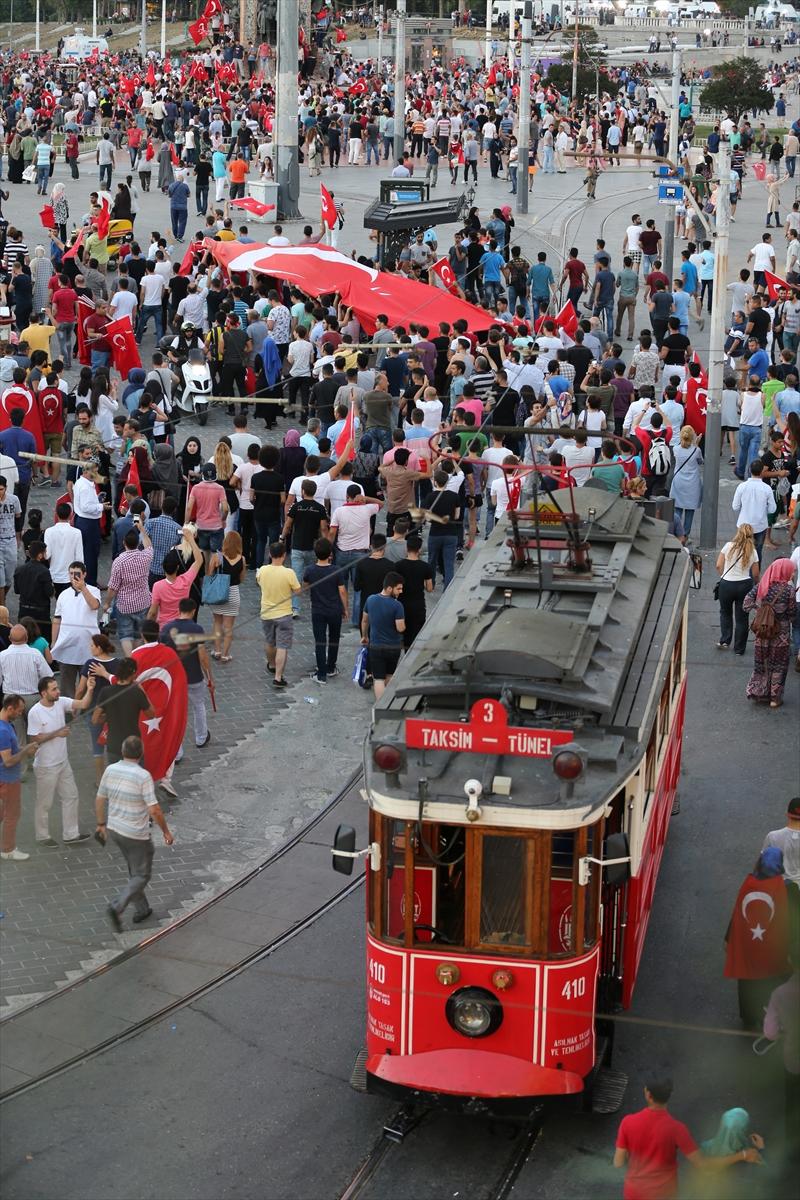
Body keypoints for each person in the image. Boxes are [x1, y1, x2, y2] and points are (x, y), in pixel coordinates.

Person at [614, 1077, 761, 1198]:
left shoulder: (627, 1122)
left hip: (634, 1193)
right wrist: (742, 1155)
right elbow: (703, 1164)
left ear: (647, 1094)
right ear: (669, 1096)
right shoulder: (677, 1129)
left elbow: (618, 1162)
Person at [97, 734, 173, 931]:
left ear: (122, 752)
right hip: (136, 834)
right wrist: (165, 831)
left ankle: (142, 909)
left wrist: (100, 824)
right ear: (141, 754)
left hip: (115, 829)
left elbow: (100, 798)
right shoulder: (142, 776)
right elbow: (154, 809)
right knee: (141, 875)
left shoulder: (110, 769)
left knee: (134, 869)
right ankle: (118, 906)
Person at [28, 674, 97, 847]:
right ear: (44, 693)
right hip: (46, 765)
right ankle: (42, 836)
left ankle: (71, 834)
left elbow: (83, 704)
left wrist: (90, 689)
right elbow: (34, 739)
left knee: (71, 796)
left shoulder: (60, 702)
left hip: (63, 762)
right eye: (54, 689)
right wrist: (57, 733)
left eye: (57, 688)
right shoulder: (35, 712)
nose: (58, 691)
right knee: (44, 802)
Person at [724, 847, 790, 1025]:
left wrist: (728, 938)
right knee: (771, 978)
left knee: (746, 979)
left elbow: (737, 913)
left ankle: (747, 1015)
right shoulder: (785, 888)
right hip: (770, 947)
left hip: (747, 943)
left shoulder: (749, 884)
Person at [743, 558, 797, 707]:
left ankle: (760, 693)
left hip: (763, 633)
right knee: (778, 665)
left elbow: (746, 604)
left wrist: (761, 610)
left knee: (762, 664)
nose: (793, 574)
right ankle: (774, 698)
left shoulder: (762, 586)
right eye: (791, 571)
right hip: (781, 635)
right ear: (784, 571)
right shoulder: (789, 590)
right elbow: (792, 614)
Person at [161, 597, 213, 749]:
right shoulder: (197, 629)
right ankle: (201, 737)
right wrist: (209, 677)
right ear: (193, 611)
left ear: (179, 609)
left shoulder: (166, 629)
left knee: (176, 712)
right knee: (198, 705)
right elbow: (202, 657)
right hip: (194, 676)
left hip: (174, 678)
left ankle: (177, 750)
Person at [50, 560, 102, 697]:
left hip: (88, 647)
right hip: (68, 646)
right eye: (71, 573)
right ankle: (68, 713)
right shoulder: (63, 595)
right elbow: (57, 618)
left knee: (89, 684)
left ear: (84, 574)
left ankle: (85, 710)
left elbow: (94, 605)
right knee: (67, 684)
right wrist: (53, 641)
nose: (74, 576)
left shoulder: (94, 590)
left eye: (77, 573)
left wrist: (83, 588)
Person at [302, 537, 348, 683]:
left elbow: (305, 587)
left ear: (316, 553)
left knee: (320, 641)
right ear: (330, 554)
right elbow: (342, 591)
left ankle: (321, 674)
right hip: (334, 609)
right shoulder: (336, 570)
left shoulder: (310, 570)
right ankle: (331, 667)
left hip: (318, 610)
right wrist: (345, 608)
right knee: (334, 639)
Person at [256, 541, 301, 688]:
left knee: (270, 642)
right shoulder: (289, 573)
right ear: (284, 555)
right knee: (282, 645)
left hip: (267, 613)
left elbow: (259, 583)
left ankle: (272, 664)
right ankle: (278, 677)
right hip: (284, 614)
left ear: (270, 554)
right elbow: (298, 591)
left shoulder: (262, 570)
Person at [0, 694, 38, 860]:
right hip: (8, 779)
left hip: (6, 778)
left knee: (2, 813)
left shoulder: (7, 725)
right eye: (19, 711)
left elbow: (12, 748)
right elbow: (8, 761)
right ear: (10, 708)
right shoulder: (3, 730)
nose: (20, 714)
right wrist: (25, 752)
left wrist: (24, 747)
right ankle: (8, 850)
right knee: (12, 814)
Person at [715, 525, 760, 655]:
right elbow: (756, 574)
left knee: (725, 612)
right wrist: (756, 585)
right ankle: (739, 649)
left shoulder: (729, 546)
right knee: (742, 618)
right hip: (744, 585)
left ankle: (725, 640)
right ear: (751, 535)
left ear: (738, 533)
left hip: (726, 584)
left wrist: (724, 576)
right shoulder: (753, 551)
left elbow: (718, 565)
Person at [361, 572, 405, 700]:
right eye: (399, 588)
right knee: (390, 676)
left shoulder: (370, 599)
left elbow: (364, 621)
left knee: (378, 679)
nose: (401, 591)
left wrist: (364, 636)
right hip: (393, 647)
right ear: (390, 588)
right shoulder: (397, 606)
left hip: (376, 646)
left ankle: (379, 706)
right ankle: (388, 703)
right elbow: (400, 627)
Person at [208, 530, 245, 662]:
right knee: (229, 627)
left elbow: (210, 574)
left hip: (218, 592)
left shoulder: (217, 557)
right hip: (233, 592)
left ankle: (217, 651)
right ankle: (225, 654)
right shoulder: (242, 559)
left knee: (217, 623)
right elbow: (241, 579)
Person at [732, 460, 777, 561]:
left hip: (743, 525)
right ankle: (755, 575)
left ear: (749, 470)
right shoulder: (767, 488)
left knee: (742, 551)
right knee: (757, 552)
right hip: (760, 525)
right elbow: (772, 509)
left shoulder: (742, 486)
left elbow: (735, 507)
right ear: (761, 472)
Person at [396, 534, 434, 647]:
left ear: (406, 548)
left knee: (403, 633)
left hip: (402, 604)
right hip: (418, 605)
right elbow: (429, 588)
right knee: (416, 635)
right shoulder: (425, 567)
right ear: (419, 550)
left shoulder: (398, 566)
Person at [668, 426, 703, 536]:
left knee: (677, 509)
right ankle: (686, 535)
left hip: (679, 482)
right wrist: (696, 444)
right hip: (692, 483)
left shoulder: (675, 449)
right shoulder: (696, 450)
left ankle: (676, 533)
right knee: (690, 510)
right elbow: (700, 461)